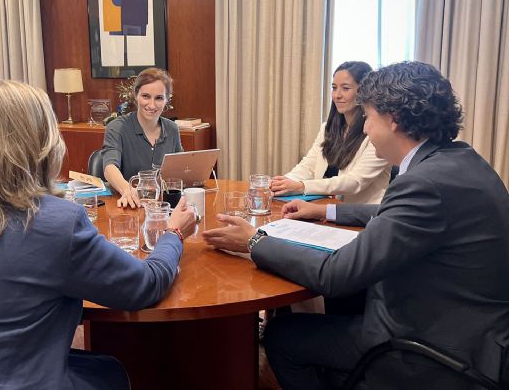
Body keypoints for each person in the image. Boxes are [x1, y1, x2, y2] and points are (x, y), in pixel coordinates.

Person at [203, 61, 509, 388]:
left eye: (370, 118)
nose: (365, 129)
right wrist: (325, 213)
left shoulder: (424, 183)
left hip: (433, 348)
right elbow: (390, 215)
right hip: (473, 327)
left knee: (283, 335)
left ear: (394, 120)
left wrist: (254, 242)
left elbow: (336, 274)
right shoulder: (456, 161)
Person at [0, 80, 196, 389]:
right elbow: (144, 286)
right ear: (40, 142)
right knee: (108, 371)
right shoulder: (53, 222)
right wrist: (172, 234)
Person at [270, 61, 391, 204]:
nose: (337, 95)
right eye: (334, 88)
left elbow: (355, 182)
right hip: (326, 209)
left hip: (362, 215)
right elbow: (308, 166)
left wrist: (302, 186)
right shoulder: (327, 128)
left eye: (345, 88)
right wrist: (282, 183)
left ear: (363, 92)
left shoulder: (377, 133)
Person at [102, 68, 183, 208]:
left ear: (166, 100)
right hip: (129, 205)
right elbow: (109, 167)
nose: (152, 105)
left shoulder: (172, 129)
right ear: (136, 95)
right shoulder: (117, 127)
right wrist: (126, 190)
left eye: (159, 98)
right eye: (146, 96)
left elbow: (181, 167)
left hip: (163, 207)